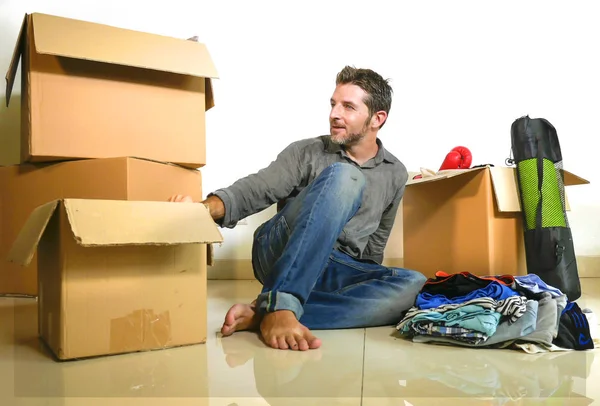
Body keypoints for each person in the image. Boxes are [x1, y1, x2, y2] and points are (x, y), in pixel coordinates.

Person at [169, 66, 427, 351]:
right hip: (280, 250)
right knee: (346, 177)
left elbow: (374, 246)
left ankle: (266, 312)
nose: (334, 114)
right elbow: (258, 187)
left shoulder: (395, 173)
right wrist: (201, 211)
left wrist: (366, 284)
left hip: (335, 265)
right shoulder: (307, 151)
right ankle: (283, 302)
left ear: (377, 119)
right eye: (333, 104)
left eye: (348, 107)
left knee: (414, 284)